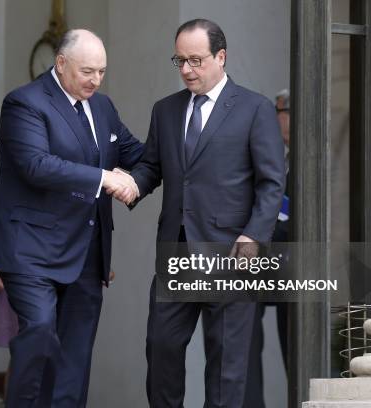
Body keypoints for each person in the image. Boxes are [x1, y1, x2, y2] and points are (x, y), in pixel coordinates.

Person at [0, 28, 143, 407]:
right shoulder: (25, 103)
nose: (96, 80)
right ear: (61, 63)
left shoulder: (103, 107)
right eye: (88, 71)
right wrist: (105, 178)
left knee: (75, 356)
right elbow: (37, 166)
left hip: (86, 250)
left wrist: (161, 167)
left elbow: (136, 154)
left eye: (102, 71)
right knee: (38, 332)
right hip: (31, 250)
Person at [126, 19, 285, 407]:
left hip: (231, 253)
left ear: (221, 57)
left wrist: (254, 236)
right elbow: (151, 167)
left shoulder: (254, 108)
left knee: (226, 366)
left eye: (195, 60)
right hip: (177, 253)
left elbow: (271, 183)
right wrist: (130, 183)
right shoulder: (165, 110)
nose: (186, 70)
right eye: (179, 60)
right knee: (160, 351)